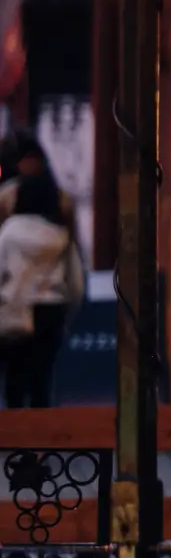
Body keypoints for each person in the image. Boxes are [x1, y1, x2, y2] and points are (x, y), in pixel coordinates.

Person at [0, 169, 77, 407]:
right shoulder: (61, 236)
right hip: (51, 308)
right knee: (42, 378)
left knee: (15, 376)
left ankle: (15, 437)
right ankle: (42, 435)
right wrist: (71, 307)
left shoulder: (8, 233)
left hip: (17, 308)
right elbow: (74, 279)